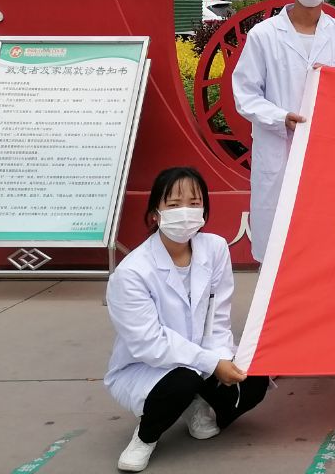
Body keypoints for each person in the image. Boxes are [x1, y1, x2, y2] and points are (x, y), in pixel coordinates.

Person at [105, 167, 269, 472]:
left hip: (203, 355)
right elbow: (149, 344)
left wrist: (221, 359)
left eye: (194, 203)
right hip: (148, 366)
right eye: (174, 204)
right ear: (155, 214)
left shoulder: (214, 248)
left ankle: (197, 404)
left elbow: (218, 316)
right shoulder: (131, 273)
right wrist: (212, 364)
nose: (185, 212)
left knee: (254, 379)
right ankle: (145, 436)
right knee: (183, 380)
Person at [232, 0, 335, 261]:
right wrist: (280, 117)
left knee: (324, 239)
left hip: (327, 148)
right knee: (277, 241)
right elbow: (245, 93)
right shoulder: (264, 35)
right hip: (278, 146)